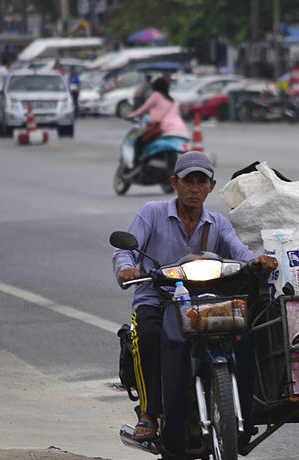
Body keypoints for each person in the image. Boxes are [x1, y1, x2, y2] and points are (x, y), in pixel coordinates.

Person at [112, 151, 279, 443]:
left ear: (211, 187)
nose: (194, 188)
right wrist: (127, 268)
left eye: (201, 182)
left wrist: (257, 262)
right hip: (157, 298)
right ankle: (149, 414)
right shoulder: (152, 212)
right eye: (188, 181)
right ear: (174, 183)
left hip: (203, 300)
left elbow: (238, 252)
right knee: (149, 337)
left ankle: (243, 403)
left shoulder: (217, 223)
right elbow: (124, 250)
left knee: (244, 332)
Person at [124, 76, 189, 169]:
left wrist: (130, 115)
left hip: (164, 128)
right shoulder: (174, 101)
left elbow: (143, 109)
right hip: (181, 131)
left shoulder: (156, 95)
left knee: (139, 142)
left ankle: (135, 164)